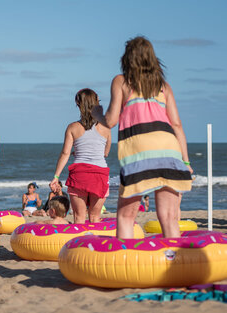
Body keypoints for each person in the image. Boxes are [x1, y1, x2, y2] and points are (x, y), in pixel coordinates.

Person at [92, 36, 193, 239]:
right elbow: (177, 125)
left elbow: (111, 120)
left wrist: (97, 114)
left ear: (127, 58)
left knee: (126, 215)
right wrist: (186, 161)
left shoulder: (121, 81)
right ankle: (173, 262)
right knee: (169, 217)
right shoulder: (163, 86)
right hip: (169, 151)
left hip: (139, 153)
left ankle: (125, 265)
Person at [50, 88, 111, 224]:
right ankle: (94, 245)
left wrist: (56, 177)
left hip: (80, 174)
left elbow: (65, 153)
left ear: (78, 104)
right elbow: (105, 153)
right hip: (99, 174)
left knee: (79, 218)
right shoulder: (106, 126)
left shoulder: (72, 127)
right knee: (95, 218)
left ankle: (80, 245)